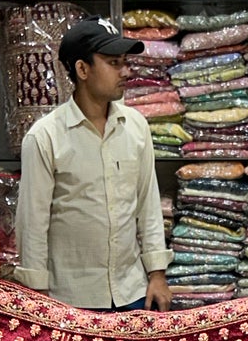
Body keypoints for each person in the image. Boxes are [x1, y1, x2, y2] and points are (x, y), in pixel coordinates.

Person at [15, 17, 172, 313]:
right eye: (113, 63)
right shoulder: (45, 136)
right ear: (82, 69)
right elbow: (32, 225)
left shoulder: (136, 126)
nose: (124, 71)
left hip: (133, 293)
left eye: (125, 62)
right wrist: (38, 298)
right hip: (72, 300)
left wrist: (157, 274)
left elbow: (148, 204)